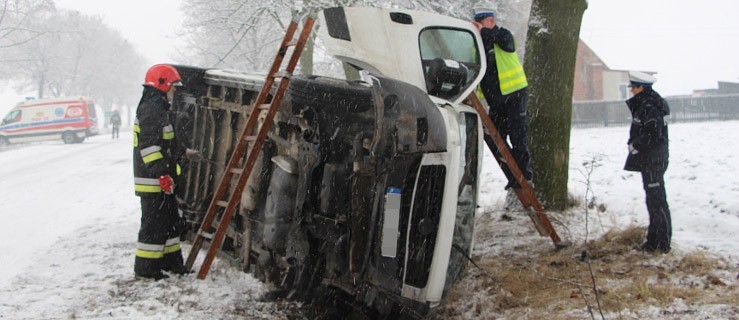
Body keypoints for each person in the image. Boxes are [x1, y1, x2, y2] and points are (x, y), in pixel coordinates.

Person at [133, 64, 189, 279]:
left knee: (170, 224)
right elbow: (149, 147)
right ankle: (147, 270)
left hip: (162, 180)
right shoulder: (151, 109)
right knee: (154, 227)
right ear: (162, 84)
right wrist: (162, 174)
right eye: (173, 86)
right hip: (153, 181)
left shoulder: (159, 107)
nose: (175, 90)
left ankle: (172, 264)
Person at [472, 7, 532, 208]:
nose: (478, 28)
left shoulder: (503, 35)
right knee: (495, 136)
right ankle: (512, 174)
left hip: (514, 94)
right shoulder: (479, 43)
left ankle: (524, 175)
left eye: (480, 23)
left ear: (490, 21)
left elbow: (506, 44)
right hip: (497, 100)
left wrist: (484, 31)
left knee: (518, 135)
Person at [624, 71, 671, 253]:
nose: (631, 92)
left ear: (641, 87)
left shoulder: (649, 105)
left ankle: (661, 243)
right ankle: (654, 241)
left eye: (633, 88)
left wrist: (636, 144)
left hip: (653, 160)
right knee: (654, 201)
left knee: (657, 202)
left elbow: (653, 133)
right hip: (653, 158)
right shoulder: (650, 102)